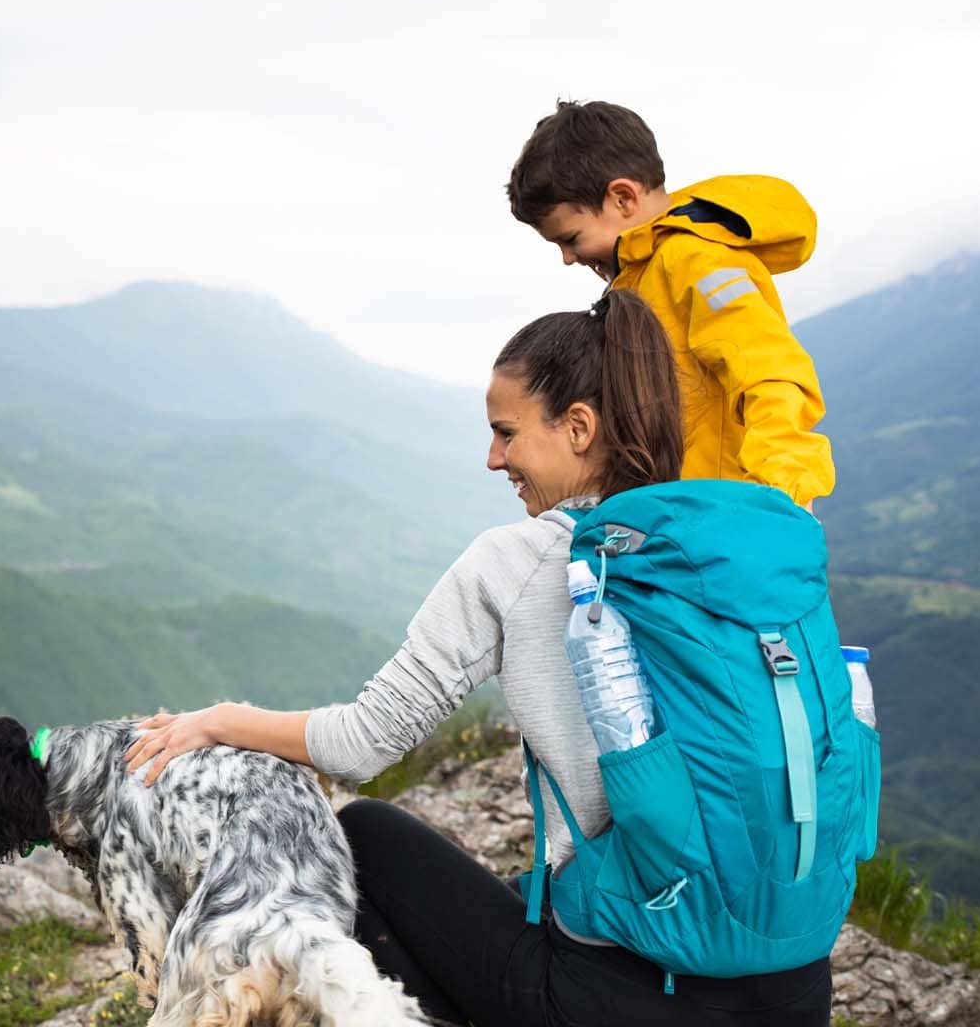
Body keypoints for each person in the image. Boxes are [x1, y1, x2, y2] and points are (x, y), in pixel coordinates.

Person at [122, 290, 832, 1027]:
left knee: (364, 840)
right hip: (796, 987)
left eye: (506, 433)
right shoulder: (727, 552)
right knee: (519, 895)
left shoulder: (520, 561)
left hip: (618, 994)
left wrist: (219, 721)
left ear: (578, 427)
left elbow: (363, 742)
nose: (493, 459)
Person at [507, 99, 834, 509]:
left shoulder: (697, 261)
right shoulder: (636, 278)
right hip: (669, 516)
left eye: (571, 239)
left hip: (723, 513)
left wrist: (781, 498)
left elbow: (771, 376)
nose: (568, 258)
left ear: (623, 198)